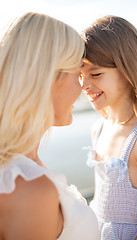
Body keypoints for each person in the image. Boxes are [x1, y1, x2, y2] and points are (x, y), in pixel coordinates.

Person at [0, 12, 100, 240]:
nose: (83, 87)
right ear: (48, 79)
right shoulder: (29, 191)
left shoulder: (24, 169)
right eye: (78, 74)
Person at [80, 15, 137, 239]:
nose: (85, 85)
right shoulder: (99, 129)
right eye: (80, 75)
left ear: (128, 69)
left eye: (95, 74)